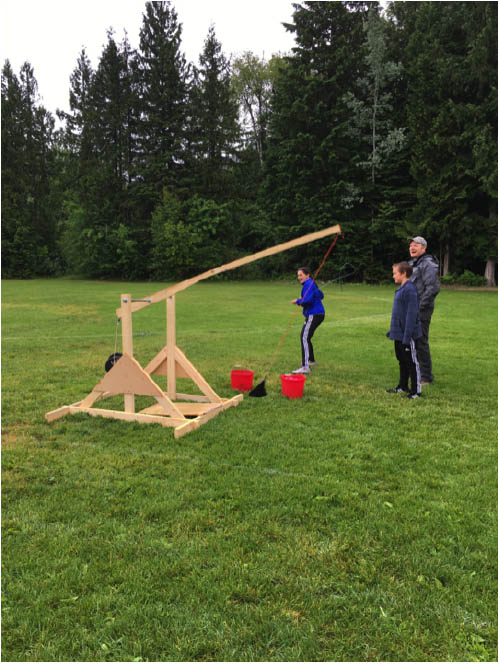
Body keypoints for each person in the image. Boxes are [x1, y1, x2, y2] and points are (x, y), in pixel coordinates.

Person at [386, 261, 422, 399]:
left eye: (395, 273)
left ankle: (416, 391)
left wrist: (407, 337)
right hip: (398, 334)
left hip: (407, 335)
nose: (393, 276)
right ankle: (402, 386)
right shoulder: (402, 288)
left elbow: (411, 315)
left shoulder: (410, 289)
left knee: (411, 362)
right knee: (402, 360)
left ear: (404, 274)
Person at [408, 236, 440, 385]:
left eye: (416, 245)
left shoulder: (428, 264)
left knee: (420, 341)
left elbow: (432, 288)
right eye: (411, 245)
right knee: (411, 342)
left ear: (424, 248)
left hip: (421, 310)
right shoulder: (412, 264)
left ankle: (426, 377)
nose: (412, 247)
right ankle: (416, 372)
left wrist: (419, 307)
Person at [291, 267, 325, 374]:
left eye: (301, 275)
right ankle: (311, 360)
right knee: (306, 337)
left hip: (314, 314)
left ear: (307, 275)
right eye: (298, 275)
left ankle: (305, 367)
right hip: (318, 314)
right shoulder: (311, 284)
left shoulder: (308, 284)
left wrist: (298, 301)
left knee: (304, 337)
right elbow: (321, 295)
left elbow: (308, 300)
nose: (299, 277)